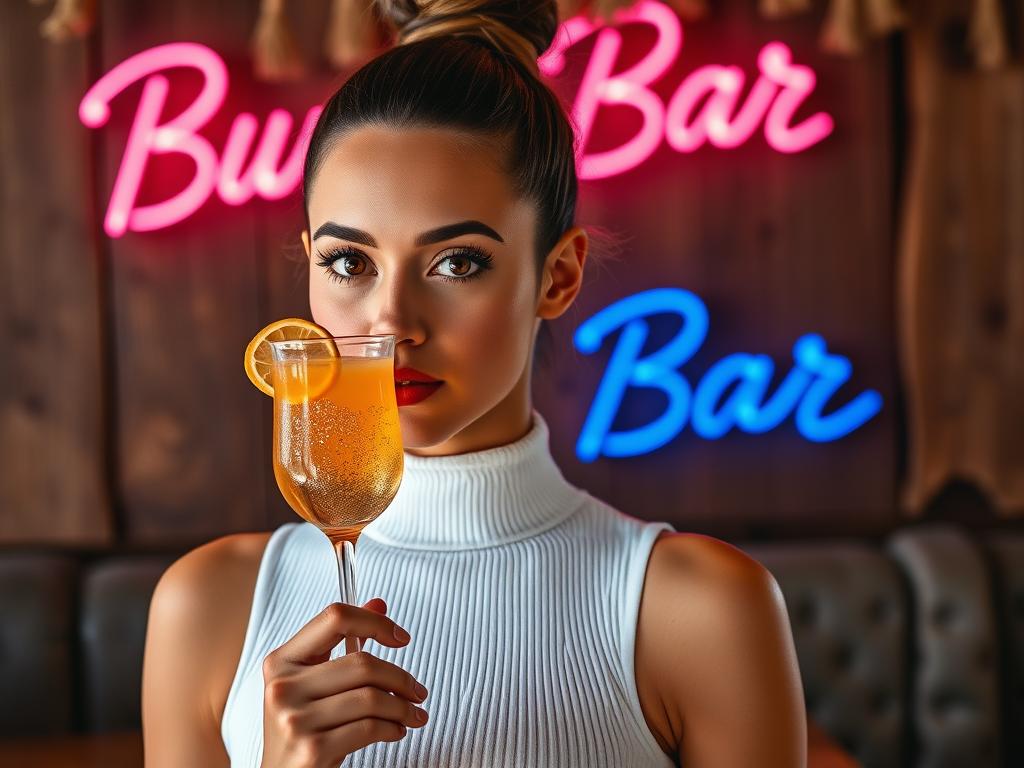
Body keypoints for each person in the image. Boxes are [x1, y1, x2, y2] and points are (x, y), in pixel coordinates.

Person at [141, 1, 806, 766]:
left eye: (457, 262)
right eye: (349, 263)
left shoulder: (702, 612)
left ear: (557, 277)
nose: (391, 322)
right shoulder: (207, 608)